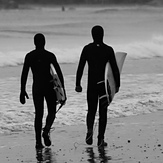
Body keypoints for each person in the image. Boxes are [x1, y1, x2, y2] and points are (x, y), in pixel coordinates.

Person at [75, 25, 120, 147]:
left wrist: (78, 83)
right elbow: (115, 69)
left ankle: (89, 130)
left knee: (91, 110)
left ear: (92, 35)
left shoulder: (87, 49)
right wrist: (117, 84)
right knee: (103, 112)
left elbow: (81, 67)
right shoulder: (108, 50)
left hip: (92, 84)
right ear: (103, 35)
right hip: (103, 85)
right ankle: (100, 139)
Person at [20, 33, 66, 149]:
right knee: (52, 111)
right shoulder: (50, 55)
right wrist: (63, 90)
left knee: (38, 114)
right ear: (44, 42)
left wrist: (22, 90)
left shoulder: (29, 56)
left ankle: (38, 142)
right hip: (49, 87)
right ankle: (46, 130)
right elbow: (59, 73)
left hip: (37, 87)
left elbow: (24, 74)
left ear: (34, 43)